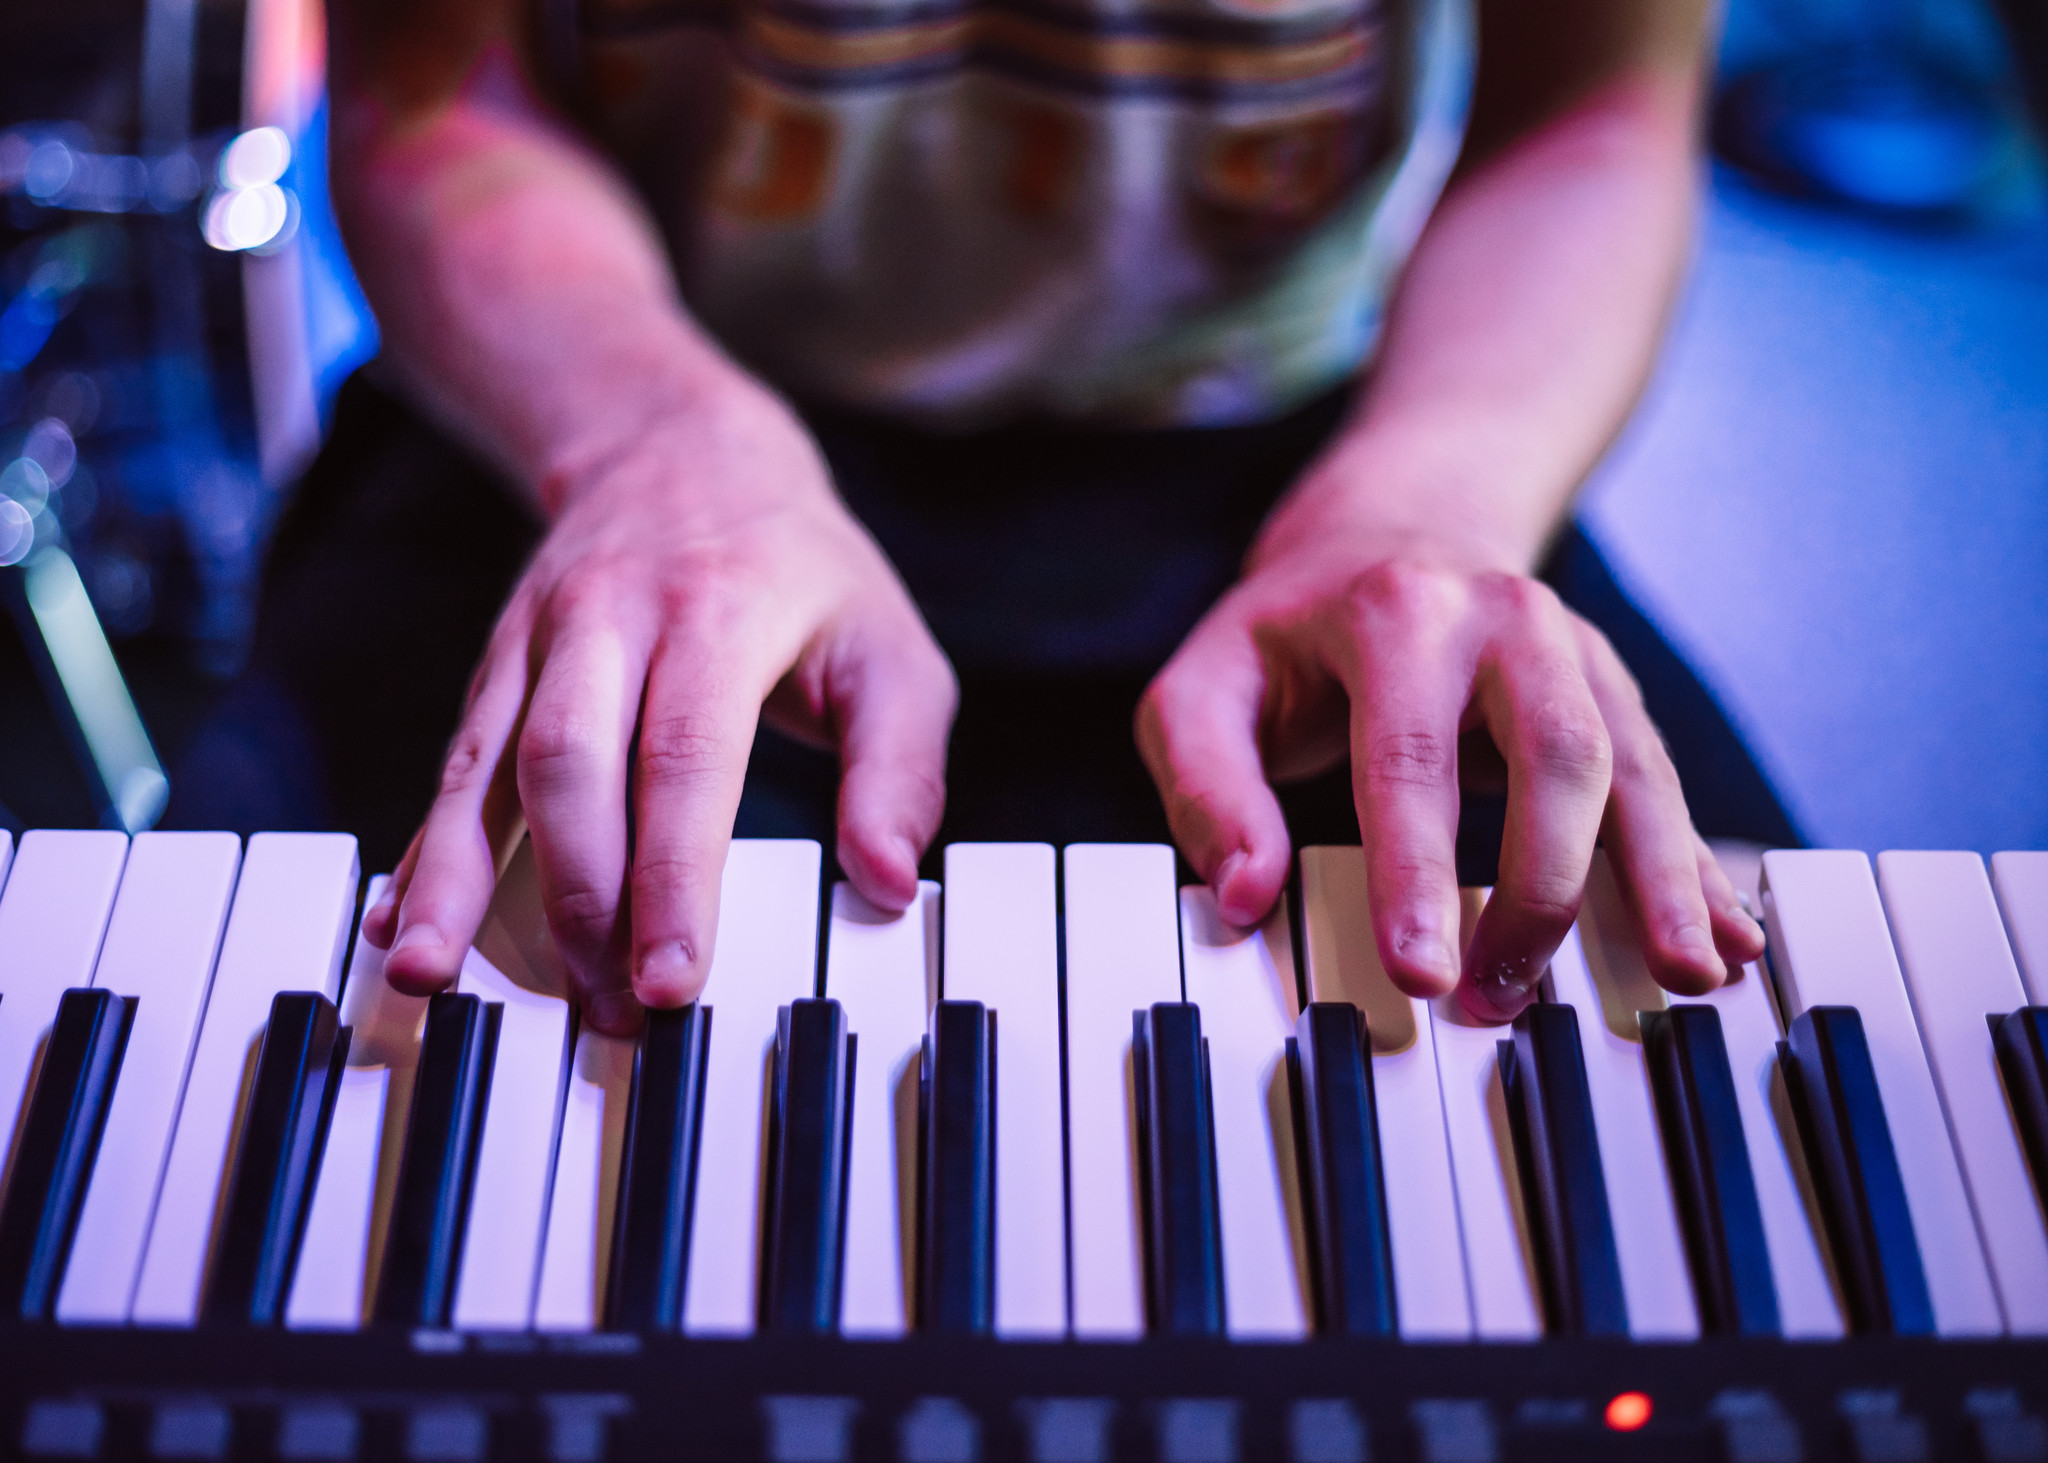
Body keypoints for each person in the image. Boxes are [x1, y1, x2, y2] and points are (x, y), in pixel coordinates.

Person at [228, 0, 1775, 1030]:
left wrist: (1433, 497)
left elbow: (1587, 114)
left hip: (1326, 457)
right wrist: (647, 442)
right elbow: (432, 87)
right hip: (616, 413)